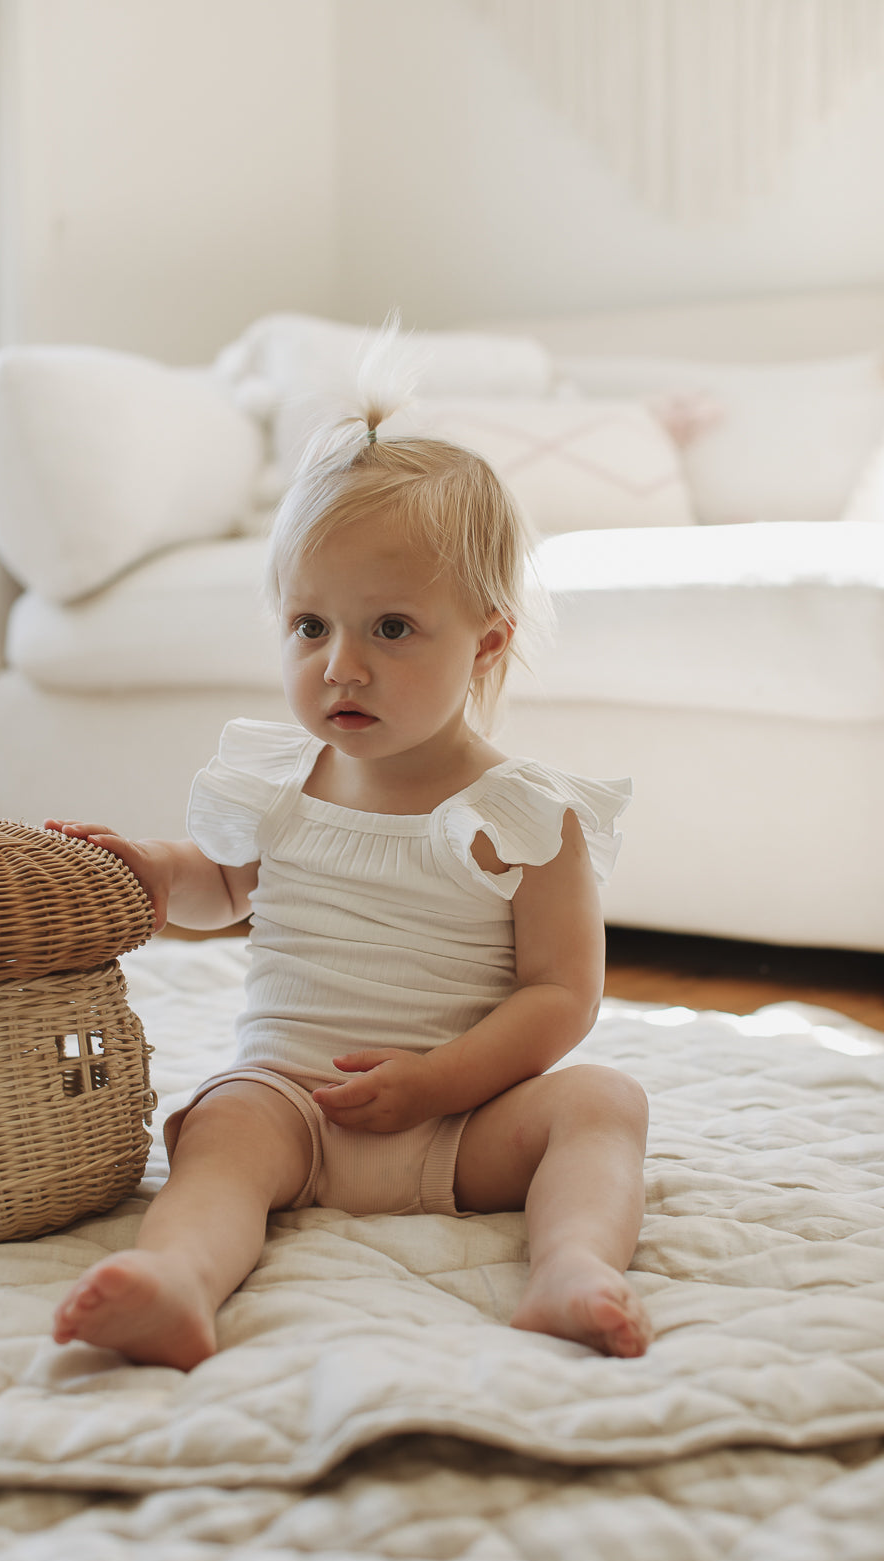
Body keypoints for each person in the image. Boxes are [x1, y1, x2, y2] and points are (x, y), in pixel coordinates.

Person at [50, 402, 653, 1368]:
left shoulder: (528, 817)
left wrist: (438, 1083)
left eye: (392, 628)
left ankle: (572, 1268)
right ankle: (177, 1281)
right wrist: (154, 871)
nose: (342, 666)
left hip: (464, 1124)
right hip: (298, 1105)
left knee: (604, 1102)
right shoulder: (278, 785)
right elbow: (219, 887)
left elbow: (561, 995)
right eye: (309, 625)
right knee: (217, 1130)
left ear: (486, 643)